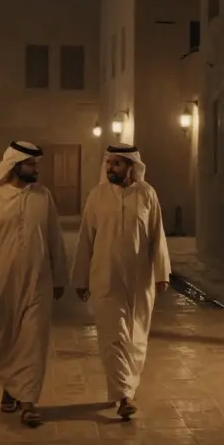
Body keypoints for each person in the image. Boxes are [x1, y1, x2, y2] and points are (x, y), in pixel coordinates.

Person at [0, 141, 67, 427]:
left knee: (33, 340)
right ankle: (10, 386)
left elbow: (55, 239)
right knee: (4, 339)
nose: (36, 169)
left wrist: (59, 277)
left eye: (36, 164)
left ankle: (28, 401)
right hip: (1, 282)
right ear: (15, 165)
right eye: (31, 164)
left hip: (38, 281)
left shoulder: (43, 196)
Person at [72, 144, 171, 419]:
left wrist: (162, 273)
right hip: (105, 278)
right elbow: (85, 239)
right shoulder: (97, 197)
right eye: (108, 163)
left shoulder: (147, 194)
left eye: (116, 163)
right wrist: (80, 278)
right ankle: (124, 395)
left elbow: (157, 236)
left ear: (131, 166)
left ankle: (126, 386)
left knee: (136, 338)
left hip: (140, 280)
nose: (110, 168)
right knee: (113, 336)